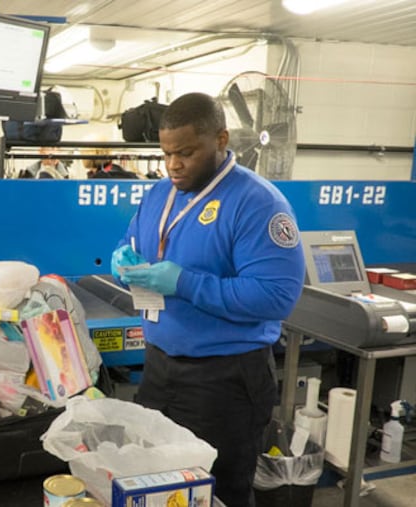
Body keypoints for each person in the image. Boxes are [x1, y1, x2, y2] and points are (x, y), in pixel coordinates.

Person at [110, 92, 305, 507]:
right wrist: (124, 259)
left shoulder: (257, 203)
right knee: (159, 485)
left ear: (221, 139)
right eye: (166, 154)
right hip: (160, 369)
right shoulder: (158, 194)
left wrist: (185, 283)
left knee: (219, 493)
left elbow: (277, 296)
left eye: (186, 152)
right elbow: (131, 240)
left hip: (225, 382)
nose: (174, 165)